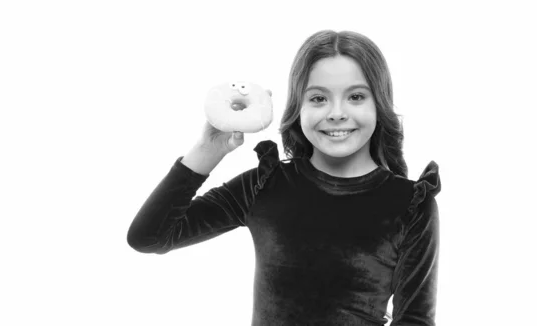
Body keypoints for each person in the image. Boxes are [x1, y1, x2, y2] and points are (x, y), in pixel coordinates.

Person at [127, 30, 441, 326]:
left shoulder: (410, 205)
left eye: (356, 97)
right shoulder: (265, 185)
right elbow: (150, 237)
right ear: (298, 107)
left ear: (379, 105)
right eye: (318, 98)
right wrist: (208, 150)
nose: (336, 113)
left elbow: (414, 320)